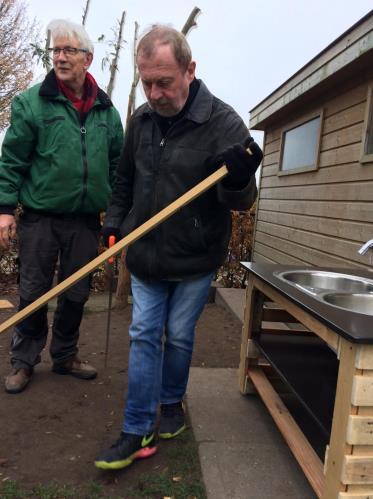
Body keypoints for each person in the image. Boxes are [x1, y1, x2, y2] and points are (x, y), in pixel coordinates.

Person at [95, 25, 262, 470]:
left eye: (163, 81)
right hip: (146, 251)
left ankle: (170, 405)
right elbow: (125, 181)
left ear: (190, 70)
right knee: (145, 333)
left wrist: (240, 176)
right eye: (146, 81)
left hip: (195, 255)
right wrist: (114, 222)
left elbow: (244, 201)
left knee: (180, 335)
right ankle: (137, 427)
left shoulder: (223, 123)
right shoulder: (142, 121)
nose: (153, 92)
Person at [0, 19, 123, 394]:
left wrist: (118, 216)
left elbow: (119, 168)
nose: (60, 57)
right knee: (34, 290)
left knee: (77, 292)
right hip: (41, 218)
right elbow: (12, 160)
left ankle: (65, 355)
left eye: (69, 50)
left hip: (86, 221)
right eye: (56, 50)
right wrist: (4, 208)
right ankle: (24, 360)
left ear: (88, 58)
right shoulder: (31, 103)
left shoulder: (106, 110)